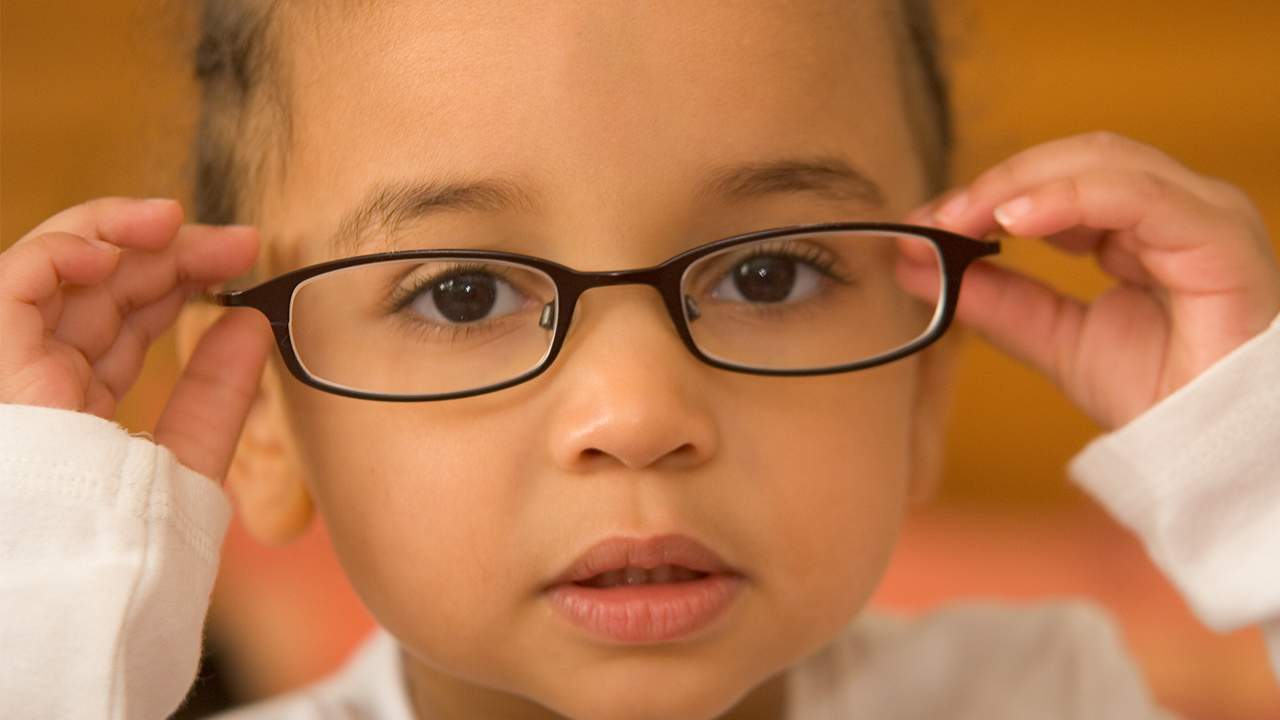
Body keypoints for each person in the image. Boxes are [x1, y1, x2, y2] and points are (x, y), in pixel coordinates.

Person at [1, 0, 1278, 718]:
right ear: (264, 417)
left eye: (767, 274)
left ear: (919, 380)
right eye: (460, 292)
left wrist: (1254, 482)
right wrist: (52, 603)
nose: (636, 413)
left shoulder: (1033, 699)